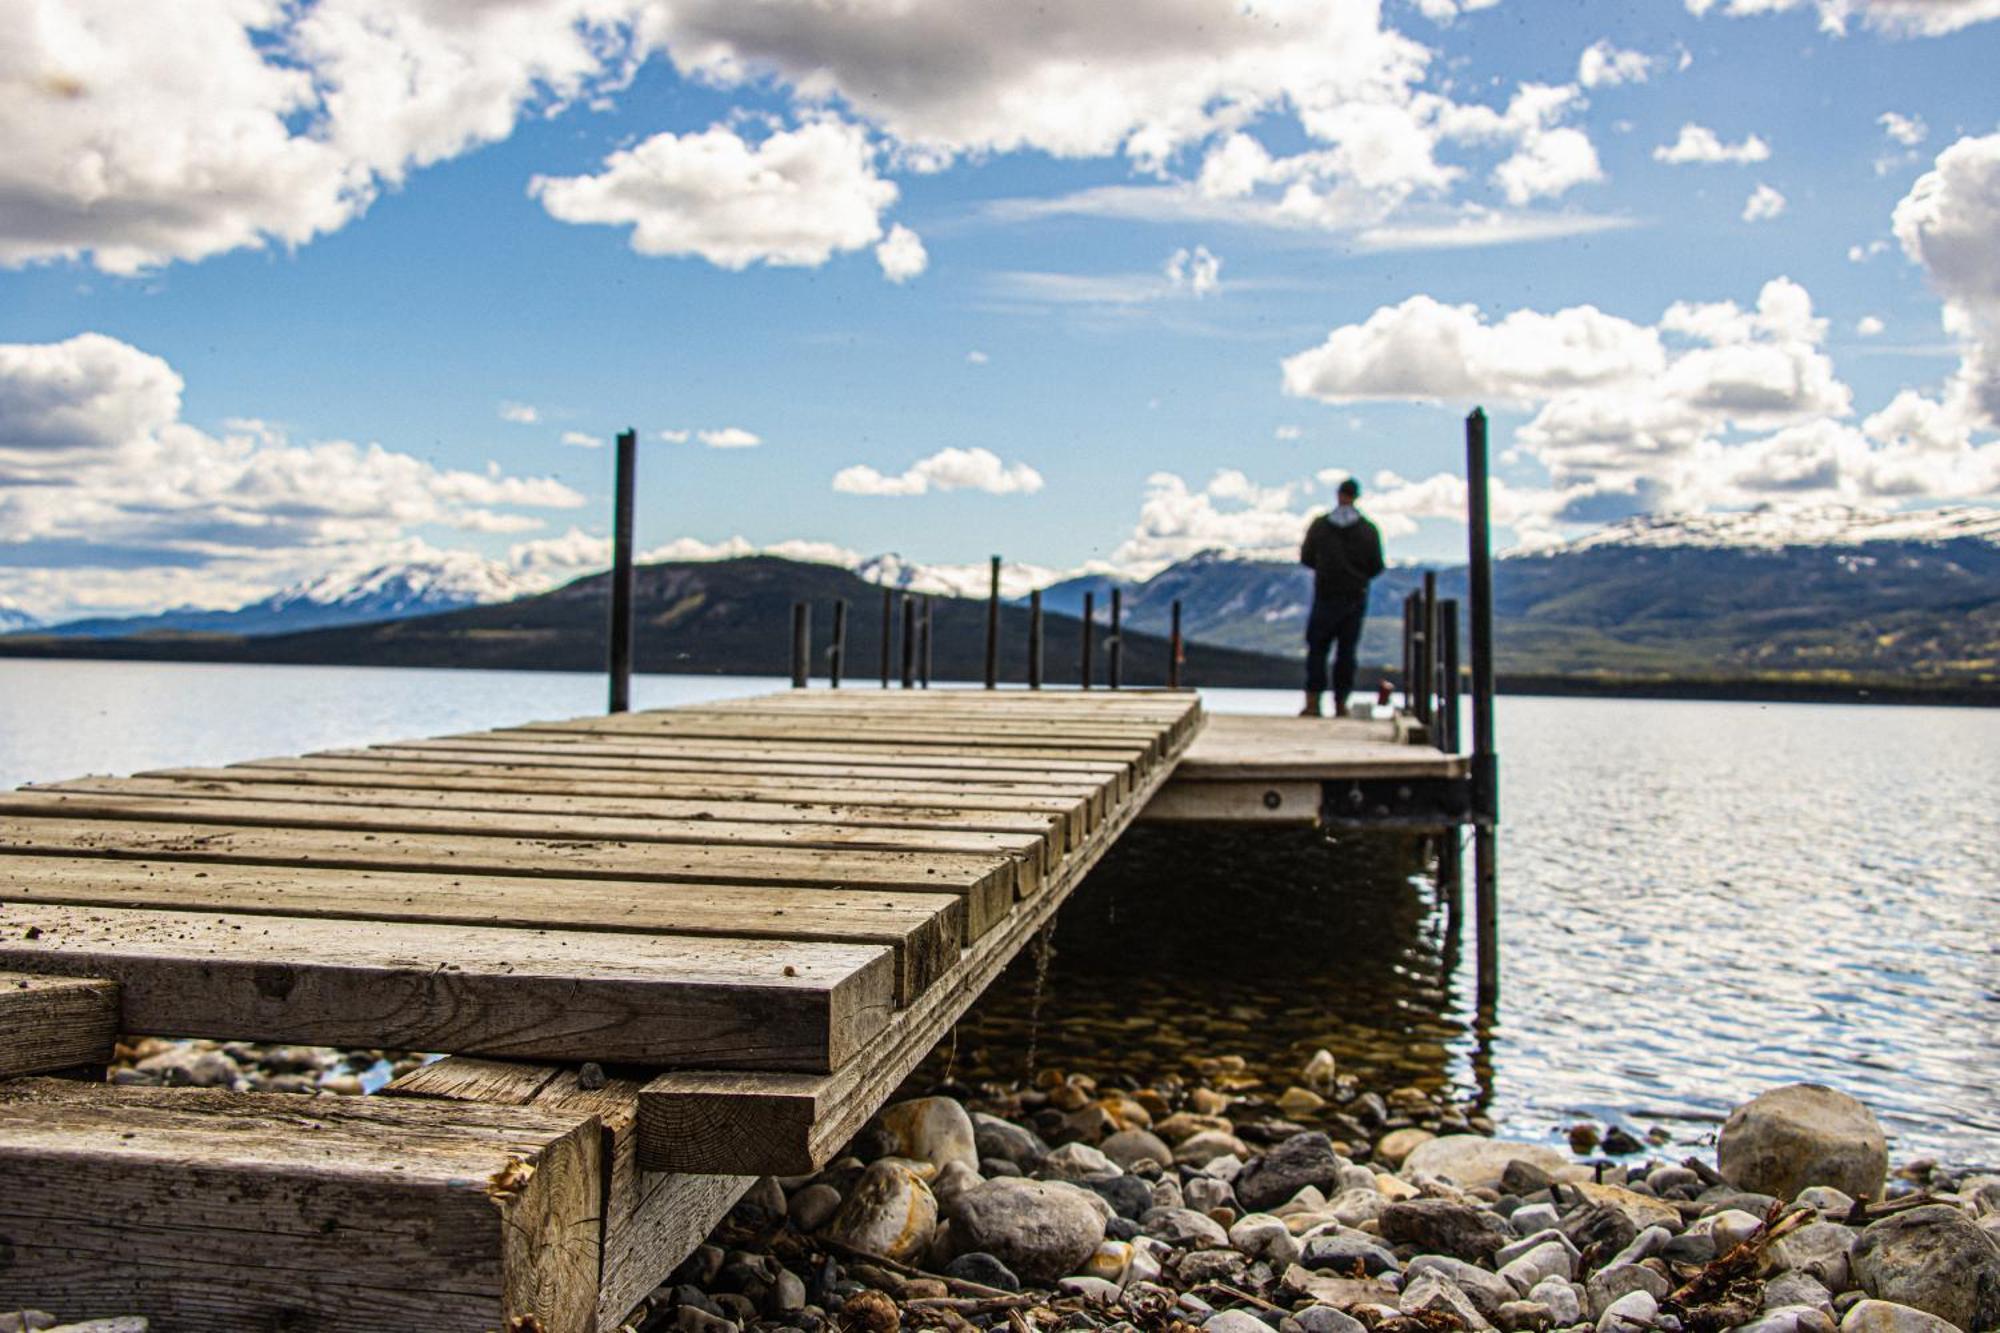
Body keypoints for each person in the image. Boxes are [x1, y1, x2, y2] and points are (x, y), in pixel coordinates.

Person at [1298, 477, 1385, 718]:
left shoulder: (1321, 525)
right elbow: (1377, 566)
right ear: (1356, 496)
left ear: (1338, 495)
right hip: (1355, 597)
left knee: (1317, 649)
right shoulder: (1368, 530)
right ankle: (1340, 704)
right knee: (1347, 653)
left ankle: (1313, 704)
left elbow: (1306, 557)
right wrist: (1358, 576)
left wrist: (1326, 569)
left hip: (1325, 594)